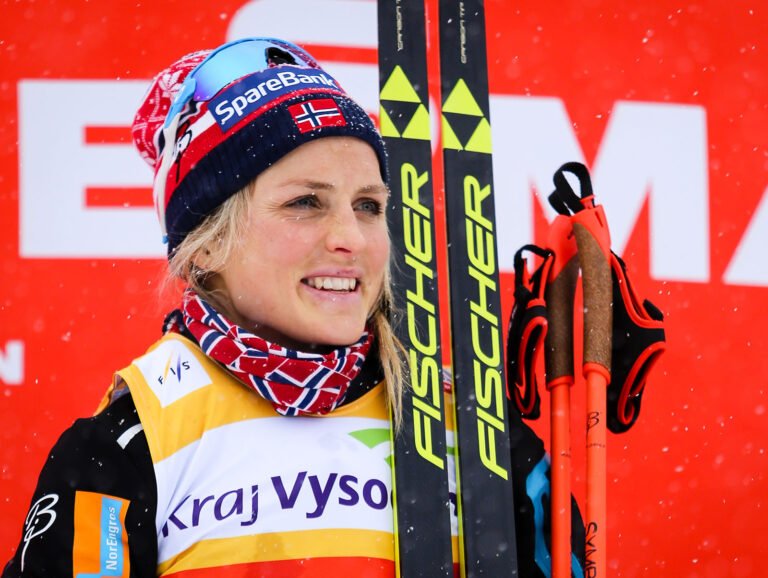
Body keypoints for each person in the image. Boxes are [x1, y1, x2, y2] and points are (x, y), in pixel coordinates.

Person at [3, 38, 583, 577]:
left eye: (368, 206)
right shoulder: (130, 442)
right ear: (205, 244)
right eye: (306, 202)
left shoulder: (472, 432)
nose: (351, 238)